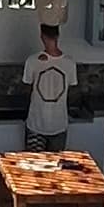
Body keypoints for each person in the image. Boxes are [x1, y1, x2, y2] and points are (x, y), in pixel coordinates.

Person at [23, 21, 74, 149]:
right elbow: (71, 90)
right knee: (55, 168)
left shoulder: (32, 61)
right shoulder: (70, 63)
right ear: (58, 35)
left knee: (35, 167)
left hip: (36, 124)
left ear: (42, 36)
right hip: (59, 124)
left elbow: (27, 87)